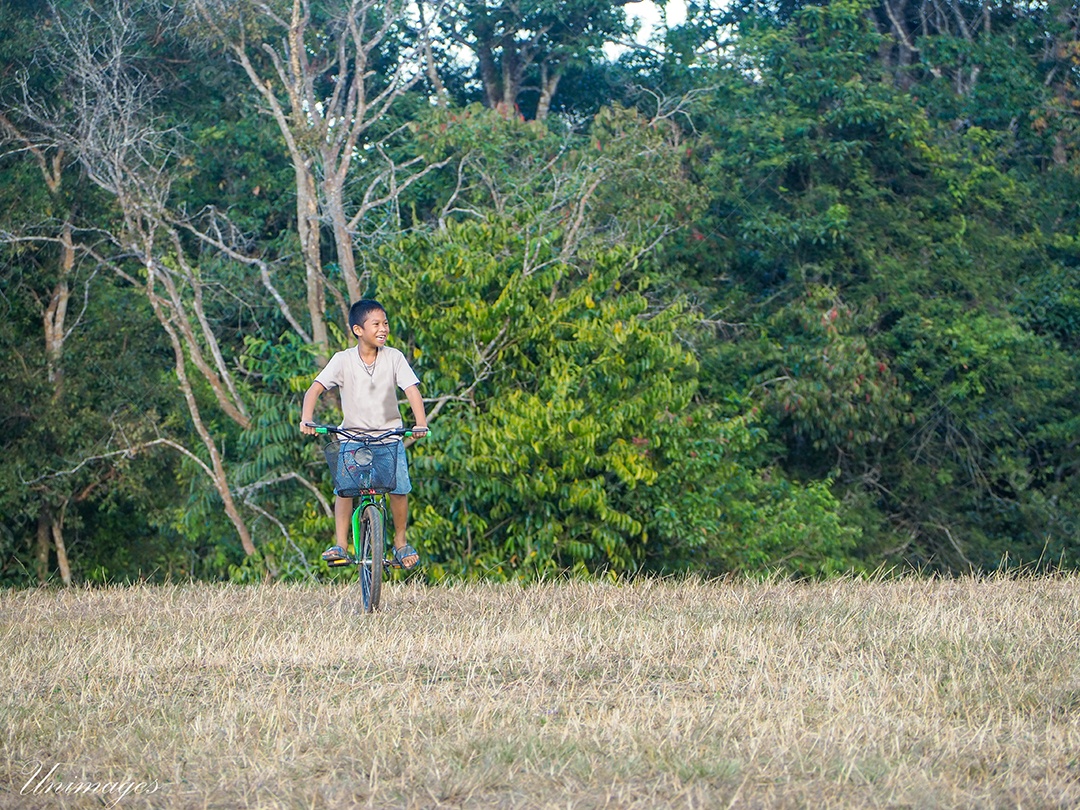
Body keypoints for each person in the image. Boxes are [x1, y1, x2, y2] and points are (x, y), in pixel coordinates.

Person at [300, 299, 428, 569]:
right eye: (376, 324)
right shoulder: (342, 360)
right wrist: (307, 419)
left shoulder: (394, 357)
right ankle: (341, 545)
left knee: (399, 489)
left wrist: (420, 423)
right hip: (352, 438)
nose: (383, 329)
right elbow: (315, 389)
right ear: (358, 330)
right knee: (345, 489)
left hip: (388, 438)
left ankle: (400, 542)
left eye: (386, 324)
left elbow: (411, 390)